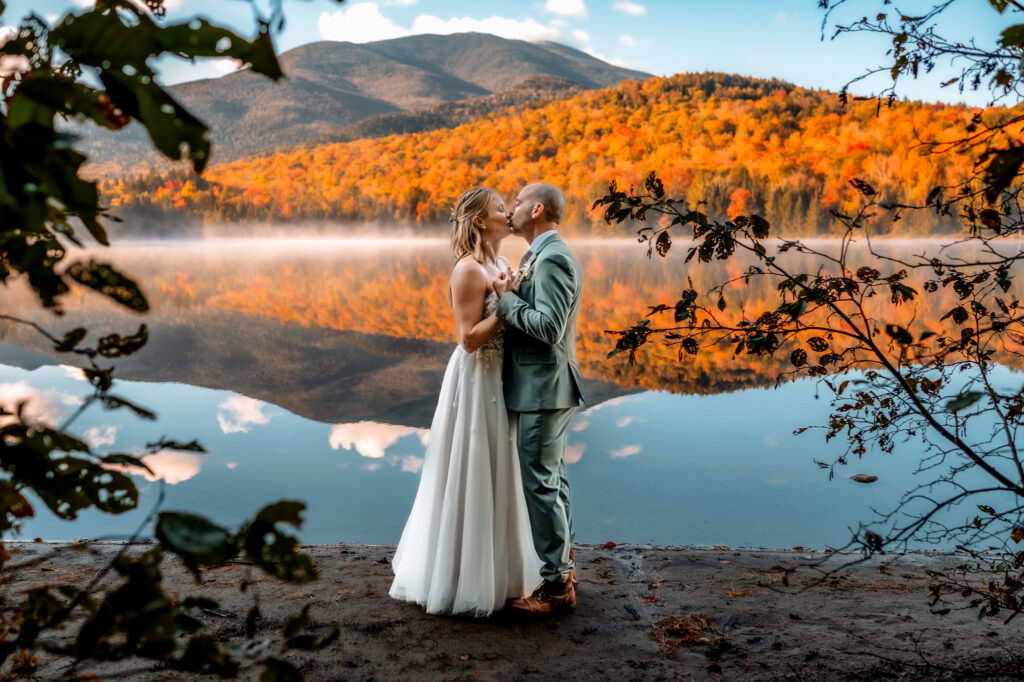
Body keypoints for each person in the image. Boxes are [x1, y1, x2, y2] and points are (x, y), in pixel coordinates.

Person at [389, 187, 543, 617]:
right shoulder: (468, 271)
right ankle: (462, 577)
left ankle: (505, 574)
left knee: (500, 468)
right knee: (473, 466)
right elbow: (469, 339)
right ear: (479, 221)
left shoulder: (503, 263)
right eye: (499, 209)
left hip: (502, 378)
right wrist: (508, 306)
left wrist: (511, 295)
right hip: (476, 380)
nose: (507, 212)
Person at [492, 182, 585, 614]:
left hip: (543, 389)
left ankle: (555, 587)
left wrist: (507, 301)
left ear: (537, 210)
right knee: (554, 480)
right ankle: (564, 567)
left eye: (517, 202)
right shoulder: (538, 257)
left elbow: (548, 328)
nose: (511, 209)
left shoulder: (553, 259)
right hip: (543, 387)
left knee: (541, 485)